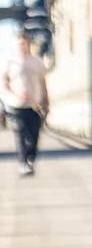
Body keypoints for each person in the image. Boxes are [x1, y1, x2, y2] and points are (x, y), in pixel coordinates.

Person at [4, 33, 49, 176]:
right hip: (16, 105)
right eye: (19, 45)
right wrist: (15, 94)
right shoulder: (10, 62)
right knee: (21, 134)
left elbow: (43, 83)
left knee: (34, 135)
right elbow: (4, 83)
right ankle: (23, 163)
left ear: (29, 44)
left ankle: (30, 159)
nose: (21, 47)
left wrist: (46, 101)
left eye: (24, 44)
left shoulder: (37, 62)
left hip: (34, 105)